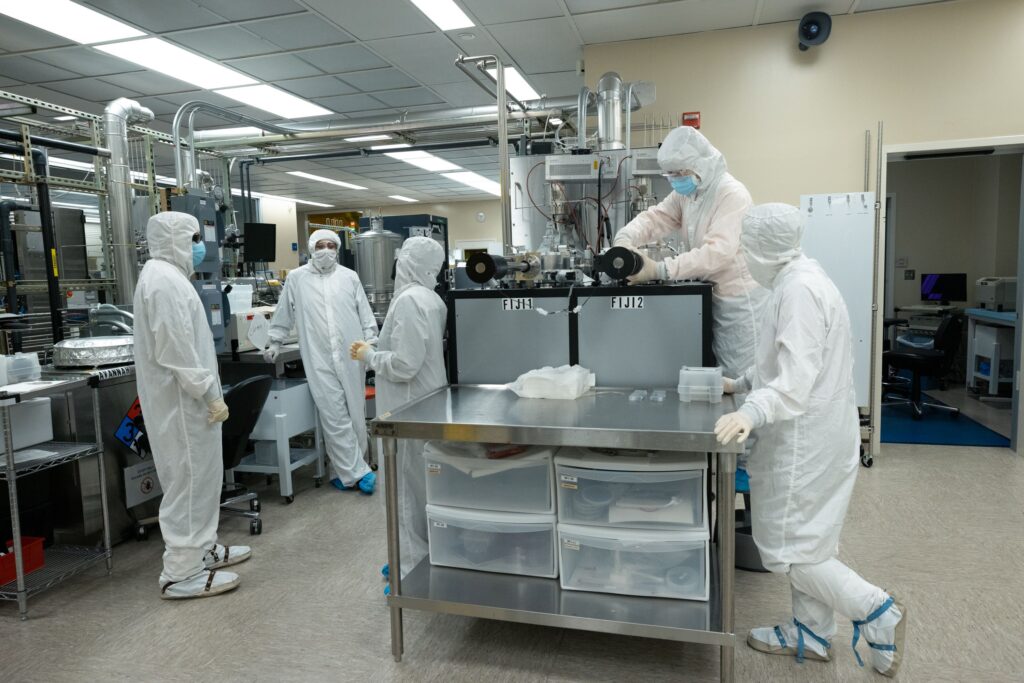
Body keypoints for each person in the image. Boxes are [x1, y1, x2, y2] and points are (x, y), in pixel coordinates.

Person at [714, 203, 907, 677]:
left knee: (788, 552)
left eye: (747, 250)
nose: (744, 258)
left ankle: (877, 610)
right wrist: (739, 384)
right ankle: (813, 634)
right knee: (812, 544)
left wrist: (750, 411)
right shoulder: (803, 278)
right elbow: (785, 362)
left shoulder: (797, 291)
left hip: (803, 445)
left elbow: (794, 381)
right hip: (823, 437)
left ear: (765, 250)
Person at [134, 212, 251, 600]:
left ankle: (203, 550)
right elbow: (178, 351)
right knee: (188, 482)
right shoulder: (164, 281)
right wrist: (210, 393)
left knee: (202, 479)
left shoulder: (169, 277)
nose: (201, 245)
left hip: (190, 400)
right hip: (183, 404)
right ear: (174, 238)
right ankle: (180, 573)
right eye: (195, 237)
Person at [613, 126, 767, 378]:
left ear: (700, 165)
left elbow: (717, 253)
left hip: (738, 302)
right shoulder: (688, 192)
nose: (674, 179)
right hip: (711, 294)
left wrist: (660, 269)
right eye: (670, 174)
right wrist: (625, 237)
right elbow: (656, 218)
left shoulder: (731, 194)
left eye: (679, 173)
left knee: (740, 378)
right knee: (717, 374)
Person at [350, 237, 447, 587]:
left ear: (407, 262)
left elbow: (405, 365)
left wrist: (369, 357)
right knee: (422, 489)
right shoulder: (431, 298)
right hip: (426, 402)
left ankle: (408, 565)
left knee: (404, 492)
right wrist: (377, 345)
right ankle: (417, 553)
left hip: (406, 407)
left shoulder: (408, 300)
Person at [265, 229, 378, 494]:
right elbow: (284, 313)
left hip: (352, 353)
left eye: (330, 245)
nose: (325, 250)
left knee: (355, 414)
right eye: (320, 245)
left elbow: (364, 311)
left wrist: (371, 343)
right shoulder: (297, 278)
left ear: (337, 248)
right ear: (311, 248)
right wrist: (275, 341)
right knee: (333, 415)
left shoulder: (349, 277)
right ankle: (358, 473)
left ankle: (347, 470)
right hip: (318, 356)